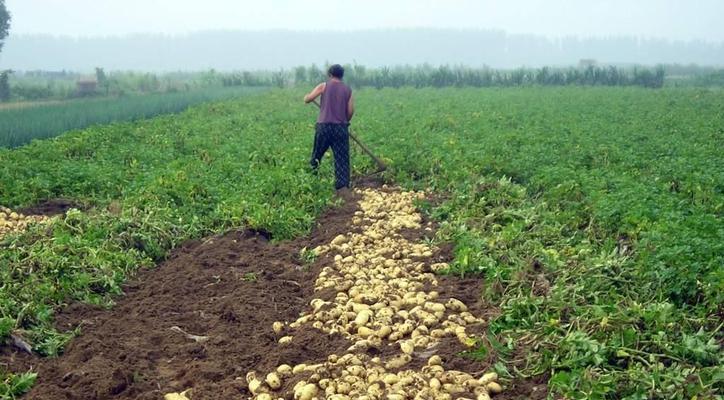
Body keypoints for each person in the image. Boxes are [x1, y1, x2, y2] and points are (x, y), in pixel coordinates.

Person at [304, 64, 355, 191]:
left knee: (317, 154)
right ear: (341, 76)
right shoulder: (348, 90)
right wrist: (344, 121)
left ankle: (311, 181)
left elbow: (308, 99)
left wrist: (306, 97)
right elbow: (350, 111)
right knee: (342, 157)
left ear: (330, 74)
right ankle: (342, 187)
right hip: (340, 128)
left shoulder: (324, 86)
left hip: (324, 126)